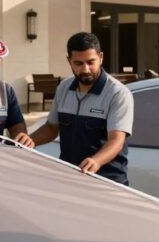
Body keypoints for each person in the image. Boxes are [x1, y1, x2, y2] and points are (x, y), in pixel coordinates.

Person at [30, 32, 133, 184]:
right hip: (69, 177)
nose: (85, 69)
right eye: (78, 63)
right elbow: (51, 128)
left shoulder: (118, 93)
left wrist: (96, 161)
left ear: (101, 58)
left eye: (91, 62)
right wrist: (30, 140)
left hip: (107, 180)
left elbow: (116, 141)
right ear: (69, 61)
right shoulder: (63, 87)